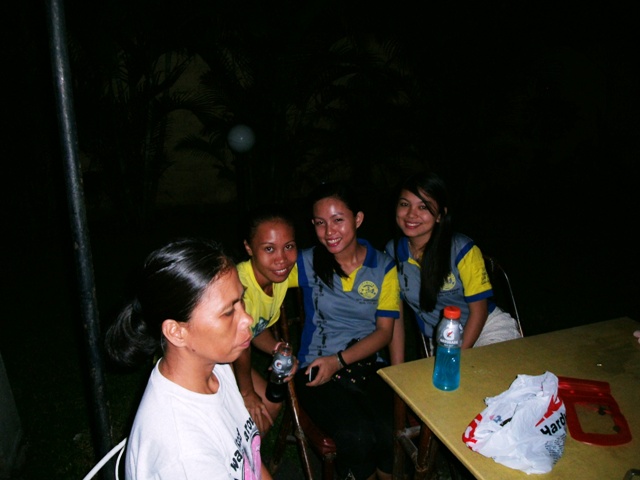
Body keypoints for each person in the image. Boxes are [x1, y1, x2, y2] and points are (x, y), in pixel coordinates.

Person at [105, 238, 272, 480]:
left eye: (241, 300)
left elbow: (251, 460)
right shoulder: (185, 456)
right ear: (176, 332)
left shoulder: (216, 366)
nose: (248, 319)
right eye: (228, 312)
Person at [291, 181, 400, 480]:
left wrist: (338, 361)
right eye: (320, 223)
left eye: (338, 219)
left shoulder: (383, 267)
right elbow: (261, 273)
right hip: (315, 365)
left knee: (389, 431)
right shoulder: (308, 261)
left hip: (367, 364)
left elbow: (384, 333)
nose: (329, 232)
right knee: (357, 435)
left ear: (358, 219)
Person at [385, 171, 521, 356]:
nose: (411, 214)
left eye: (423, 207)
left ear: (440, 215)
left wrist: (455, 357)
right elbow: (395, 315)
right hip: (442, 337)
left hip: (486, 328)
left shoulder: (461, 249)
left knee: (482, 371)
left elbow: (479, 311)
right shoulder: (392, 253)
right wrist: (397, 368)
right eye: (404, 204)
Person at [232, 205, 299, 436]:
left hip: (230, 352)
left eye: (289, 246)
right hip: (205, 358)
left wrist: (277, 349)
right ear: (249, 248)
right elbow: (241, 346)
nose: (282, 259)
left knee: (271, 404)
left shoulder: (280, 275)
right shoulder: (240, 287)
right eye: (269, 248)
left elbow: (256, 328)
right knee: (255, 409)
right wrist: (247, 393)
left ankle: (248, 454)